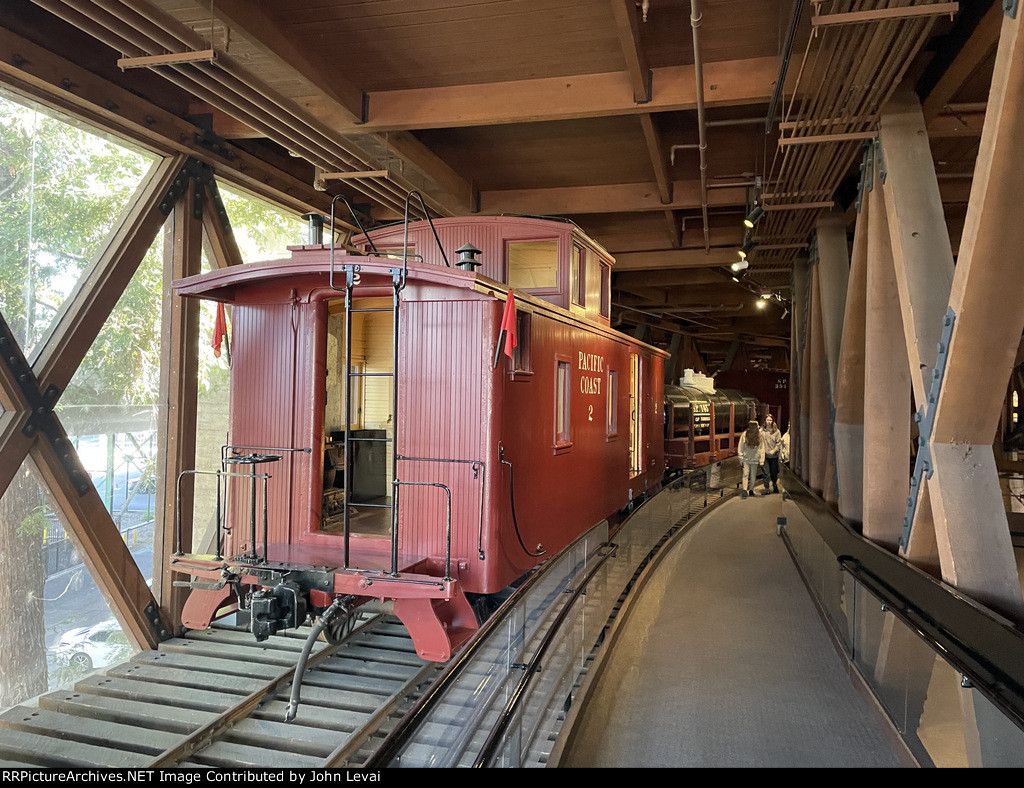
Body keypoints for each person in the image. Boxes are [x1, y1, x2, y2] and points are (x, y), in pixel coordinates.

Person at [738, 420, 765, 498]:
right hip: (755, 458)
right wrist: (762, 459)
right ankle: (751, 490)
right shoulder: (759, 435)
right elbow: (762, 448)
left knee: (745, 474)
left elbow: (741, 446)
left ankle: (745, 490)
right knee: (753, 475)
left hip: (746, 458)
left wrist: (740, 457)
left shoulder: (745, 434)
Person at [761, 414, 783, 494]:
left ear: (773, 421)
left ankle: (774, 484)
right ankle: (766, 488)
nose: (769, 422)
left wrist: (774, 450)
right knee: (765, 473)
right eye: (767, 420)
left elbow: (779, 443)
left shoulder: (776, 431)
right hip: (764, 456)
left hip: (773, 456)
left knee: (773, 472)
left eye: (770, 420)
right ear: (765, 421)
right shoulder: (762, 431)